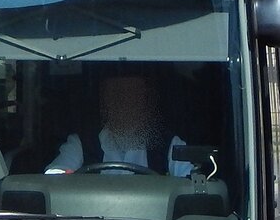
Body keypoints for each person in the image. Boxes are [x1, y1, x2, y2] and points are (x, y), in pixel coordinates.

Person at [45, 72, 193, 176]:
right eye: (115, 94)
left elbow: (190, 185)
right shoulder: (81, 143)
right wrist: (63, 176)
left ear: (145, 101)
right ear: (104, 101)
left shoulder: (169, 145)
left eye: (130, 94)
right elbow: (54, 177)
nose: (122, 102)